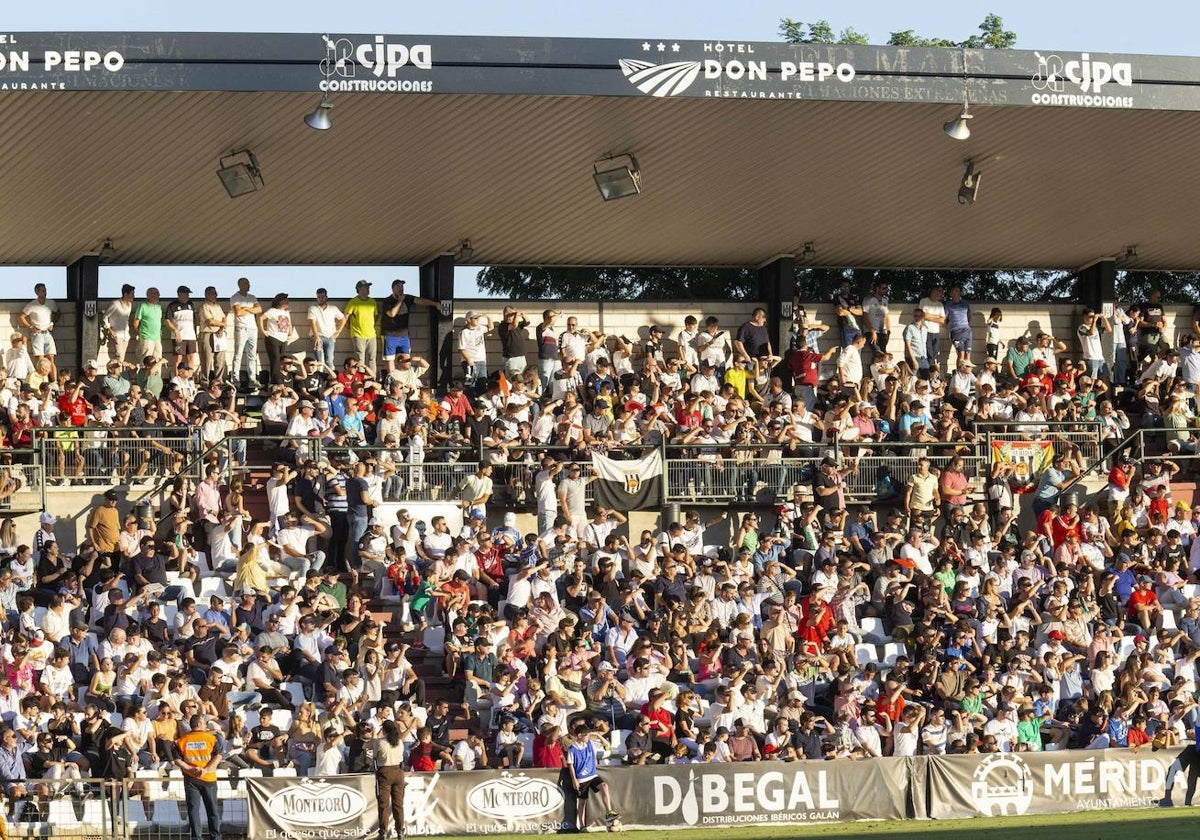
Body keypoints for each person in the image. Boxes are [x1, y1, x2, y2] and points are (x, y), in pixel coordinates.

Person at [174, 713, 222, 840]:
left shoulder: (181, 740)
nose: (206, 725)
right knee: (212, 810)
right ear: (199, 724)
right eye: (204, 723)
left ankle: (196, 837)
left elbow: (177, 761)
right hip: (209, 778)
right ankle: (215, 837)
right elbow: (218, 756)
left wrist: (191, 769)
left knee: (193, 810)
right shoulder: (211, 738)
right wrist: (205, 770)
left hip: (191, 779)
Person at [564, 721, 618, 831]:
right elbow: (570, 765)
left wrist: (598, 735)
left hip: (592, 775)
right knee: (582, 802)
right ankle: (582, 826)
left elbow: (607, 746)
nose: (588, 736)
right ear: (579, 735)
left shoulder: (590, 744)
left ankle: (609, 811)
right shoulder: (572, 749)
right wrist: (574, 780)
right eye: (586, 734)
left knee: (604, 786)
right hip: (581, 778)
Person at [374, 719, 407, 840]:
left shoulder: (380, 742)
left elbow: (375, 757)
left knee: (384, 804)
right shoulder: (399, 742)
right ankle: (400, 831)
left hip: (385, 772)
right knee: (398, 804)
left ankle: (383, 832)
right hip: (398, 772)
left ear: (384, 729)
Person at [230, 276, 262, 390]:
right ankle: (235, 378)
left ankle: (252, 378)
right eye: (246, 283)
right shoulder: (235, 297)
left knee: (252, 355)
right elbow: (238, 312)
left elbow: (259, 310)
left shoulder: (252, 297)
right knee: (238, 354)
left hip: (253, 328)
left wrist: (246, 308)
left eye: (249, 283)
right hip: (241, 328)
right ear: (240, 285)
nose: (249, 285)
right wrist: (250, 309)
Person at [345, 281, 380, 376]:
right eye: (365, 287)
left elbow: (376, 316)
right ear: (359, 289)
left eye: (368, 287)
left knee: (372, 358)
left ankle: (372, 378)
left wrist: (371, 324)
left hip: (371, 334)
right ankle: (360, 378)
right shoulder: (353, 302)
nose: (368, 289)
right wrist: (349, 326)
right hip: (358, 335)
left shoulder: (372, 302)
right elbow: (346, 316)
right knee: (360, 359)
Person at [308, 287, 346, 370]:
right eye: (319, 297)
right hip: (318, 337)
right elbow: (312, 323)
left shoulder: (333, 308)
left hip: (330, 337)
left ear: (326, 297)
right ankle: (320, 378)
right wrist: (316, 337)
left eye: (322, 297)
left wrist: (338, 332)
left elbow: (343, 319)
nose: (321, 299)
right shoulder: (313, 308)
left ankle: (329, 379)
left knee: (329, 360)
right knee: (320, 361)